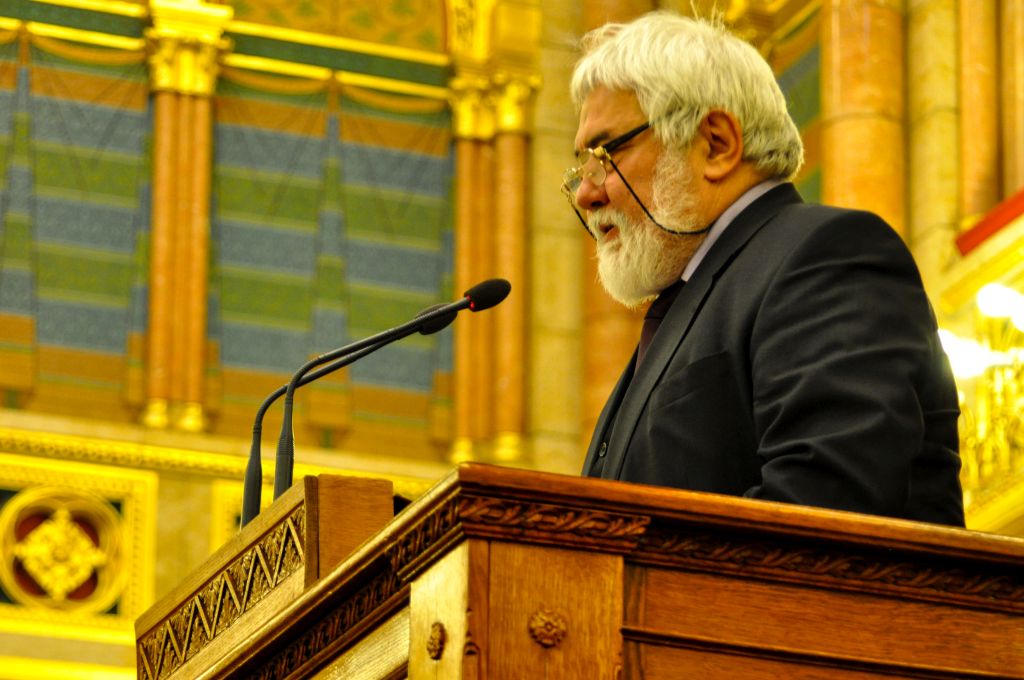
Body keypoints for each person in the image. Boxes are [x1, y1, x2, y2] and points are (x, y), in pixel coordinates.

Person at [566, 12, 964, 526]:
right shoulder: (683, 306)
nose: (587, 193)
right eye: (582, 166)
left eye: (607, 153)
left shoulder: (827, 256)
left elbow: (826, 511)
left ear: (716, 144)